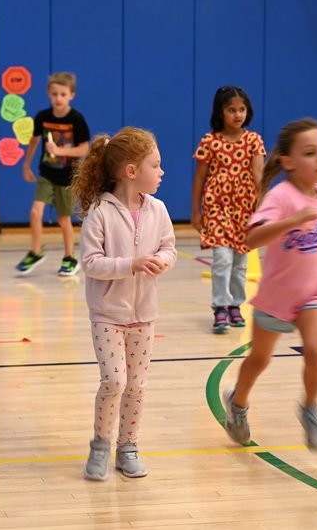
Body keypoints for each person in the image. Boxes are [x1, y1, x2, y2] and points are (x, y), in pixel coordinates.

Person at [221, 117, 317, 451]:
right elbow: (252, 238)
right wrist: (292, 221)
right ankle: (238, 404)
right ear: (288, 161)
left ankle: (310, 409)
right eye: (311, 153)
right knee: (260, 358)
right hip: (277, 295)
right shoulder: (281, 197)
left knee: (315, 351)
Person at [73, 127, 177, 480]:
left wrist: (162, 261)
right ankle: (101, 445)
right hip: (107, 314)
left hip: (144, 315)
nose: (161, 173)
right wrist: (130, 265)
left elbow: (170, 248)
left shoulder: (158, 210)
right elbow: (90, 263)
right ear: (132, 172)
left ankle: (128, 446)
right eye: (156, 165)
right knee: (114, 381)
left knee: (137, 385)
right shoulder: (100, 212)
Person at [191, 86, 266, 332]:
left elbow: (258, 174)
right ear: (220, 112)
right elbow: (200, 179)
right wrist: (196, 211)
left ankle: (236, 305)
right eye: (231, 110)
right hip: (217, 208)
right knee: (222, 259)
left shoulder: (254, 140)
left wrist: (266, 209)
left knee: (240, 263)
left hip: (245, 209)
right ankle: (220, 307)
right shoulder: (209, 141)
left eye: (241, 109)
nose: (237, 114)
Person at [18, 72, 90, 276]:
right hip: (46, 174)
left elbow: (84, 149)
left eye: (62, 94)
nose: (58, 98)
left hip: (66, 177)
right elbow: (33, 141)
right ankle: (36, 251)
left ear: (71, 95)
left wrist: (59, 151)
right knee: (35, 212)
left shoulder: (76, 119)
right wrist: (26, 165)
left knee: (63, 219)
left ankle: (69, 258)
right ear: (48, 94)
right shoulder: (42, 117)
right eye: (54, 94)